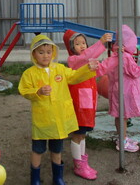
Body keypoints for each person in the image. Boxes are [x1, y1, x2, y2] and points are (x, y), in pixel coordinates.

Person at [19, 34, 98, 185]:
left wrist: (87, 68)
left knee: (57, 150)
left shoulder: (60, 69)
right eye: (41, 52)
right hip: (42, 121)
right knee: (38, 150)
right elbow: (24, 90)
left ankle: (58, 178)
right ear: (33, 54)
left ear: (53, 52)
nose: (45, 55)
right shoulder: (29, 73)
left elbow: (74, 77)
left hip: (59, 120)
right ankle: (35, 179)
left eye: (48, 52)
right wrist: (38, 92)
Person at [96, 25, 140, 152]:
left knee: (120, 116)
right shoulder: (125, 57)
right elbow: (135, 72)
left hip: (117, 89)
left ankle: (122, 137)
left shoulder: (116, 55)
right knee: (122, 116)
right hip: (125, 91)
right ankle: (122, 141)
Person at [63, 30, 112, 180]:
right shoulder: (73, 60)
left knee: (83, 134)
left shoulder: (87, 60)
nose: (82, 46)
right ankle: (78, 165)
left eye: (83, 42)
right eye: (77, 44)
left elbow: (100, 69)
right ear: (71, 47)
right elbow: (85, 57)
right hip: (79, 104)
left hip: (88, 103)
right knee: (78, 134)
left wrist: (117, 56)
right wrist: (101, 43)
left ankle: (83, 161)